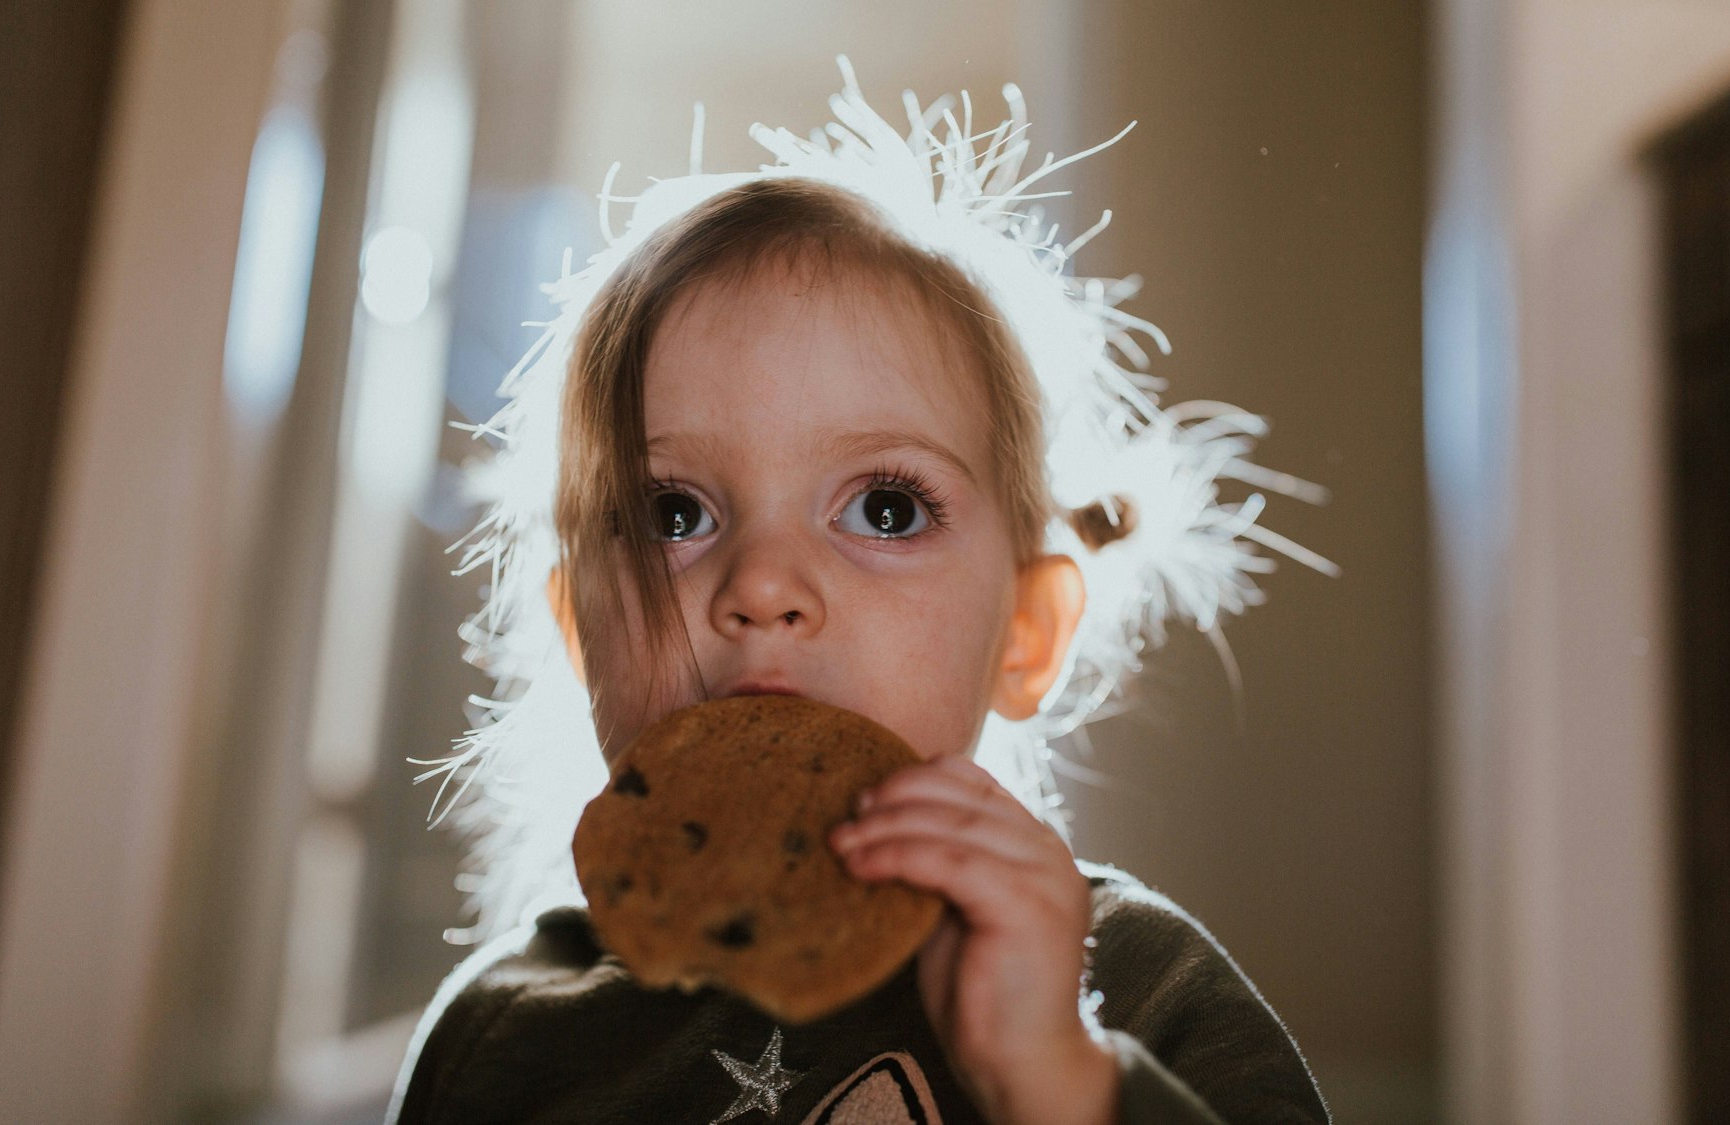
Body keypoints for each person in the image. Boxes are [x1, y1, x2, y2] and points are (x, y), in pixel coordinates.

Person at [388, 64, 1336, 1124]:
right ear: (581, 634)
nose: (761, 585)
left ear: (1024, 633)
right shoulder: (501, 1042)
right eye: (670, 515)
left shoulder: (1125, 985)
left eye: (885, 508)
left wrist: (1060, 1085)